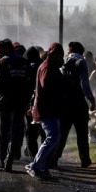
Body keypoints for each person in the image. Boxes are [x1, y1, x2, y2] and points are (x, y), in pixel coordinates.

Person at [0, 39, 32, 172]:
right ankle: (10, 158)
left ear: (7, 49)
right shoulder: (25, 62)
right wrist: (28, 101)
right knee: (16, 131)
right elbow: (29, 84)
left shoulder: (1, 62)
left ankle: (3, 160)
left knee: (4, 131)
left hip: (5, 101)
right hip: (20, 102)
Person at [53, 42, 96, 168]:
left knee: (62, 133)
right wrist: (91, 100)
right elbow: (84, 84)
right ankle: (84, 159)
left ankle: (54, 158)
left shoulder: (62, 60)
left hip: (64, 103)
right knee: (82, 133)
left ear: (70, 50)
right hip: (78, 102)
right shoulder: (81, 61)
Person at [26, 43, 65, 180]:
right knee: (52, 138)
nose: (58, 57)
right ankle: (35, 165)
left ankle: (43, 169)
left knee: (53, 139)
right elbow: (47, 87)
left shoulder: (48, 66)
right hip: (47, 109)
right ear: (50, 54)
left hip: (48, 108)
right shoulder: (48, 68)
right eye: (56, 54)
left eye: (60, 54)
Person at [23, 47, 46, 158]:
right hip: (44, 101)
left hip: (30, 103)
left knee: (31, 132)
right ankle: (44, 156)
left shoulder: (25, 66)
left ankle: (34, 156)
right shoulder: (43, 66)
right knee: (43, 131)